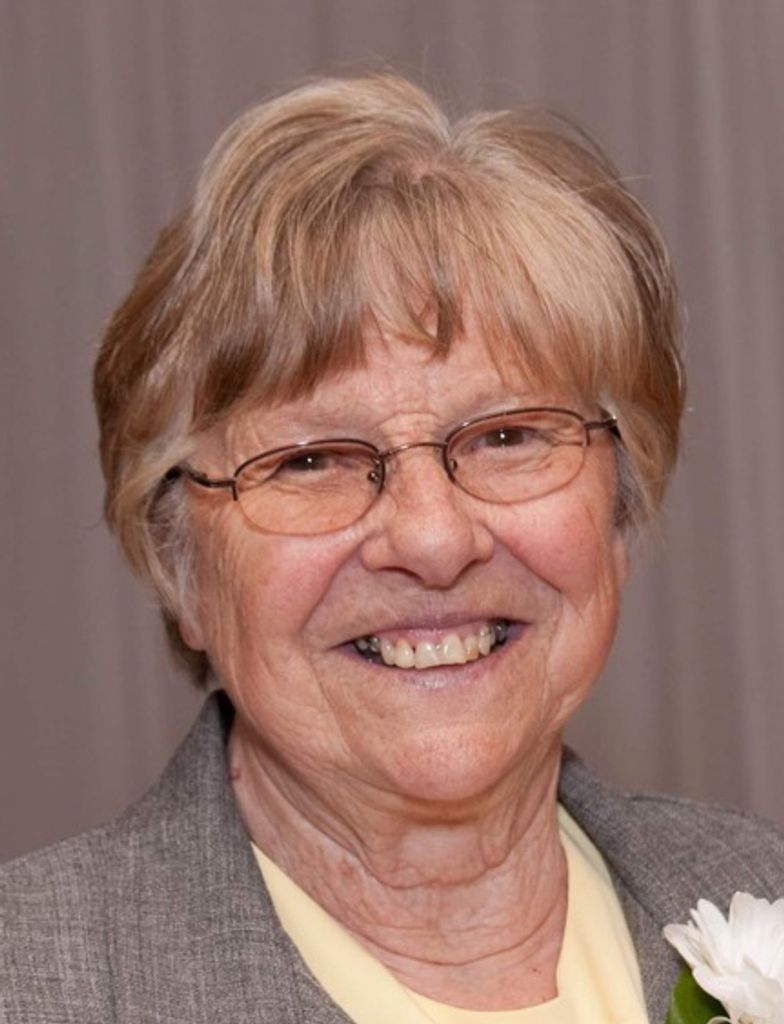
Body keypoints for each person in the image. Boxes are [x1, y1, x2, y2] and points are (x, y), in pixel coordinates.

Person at [3, 73, 783, 1024]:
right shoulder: (33, 982)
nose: (433, 538)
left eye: (508, 436)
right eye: (312, 459)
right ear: (182, 570)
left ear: (619, 514)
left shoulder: (762, 884)